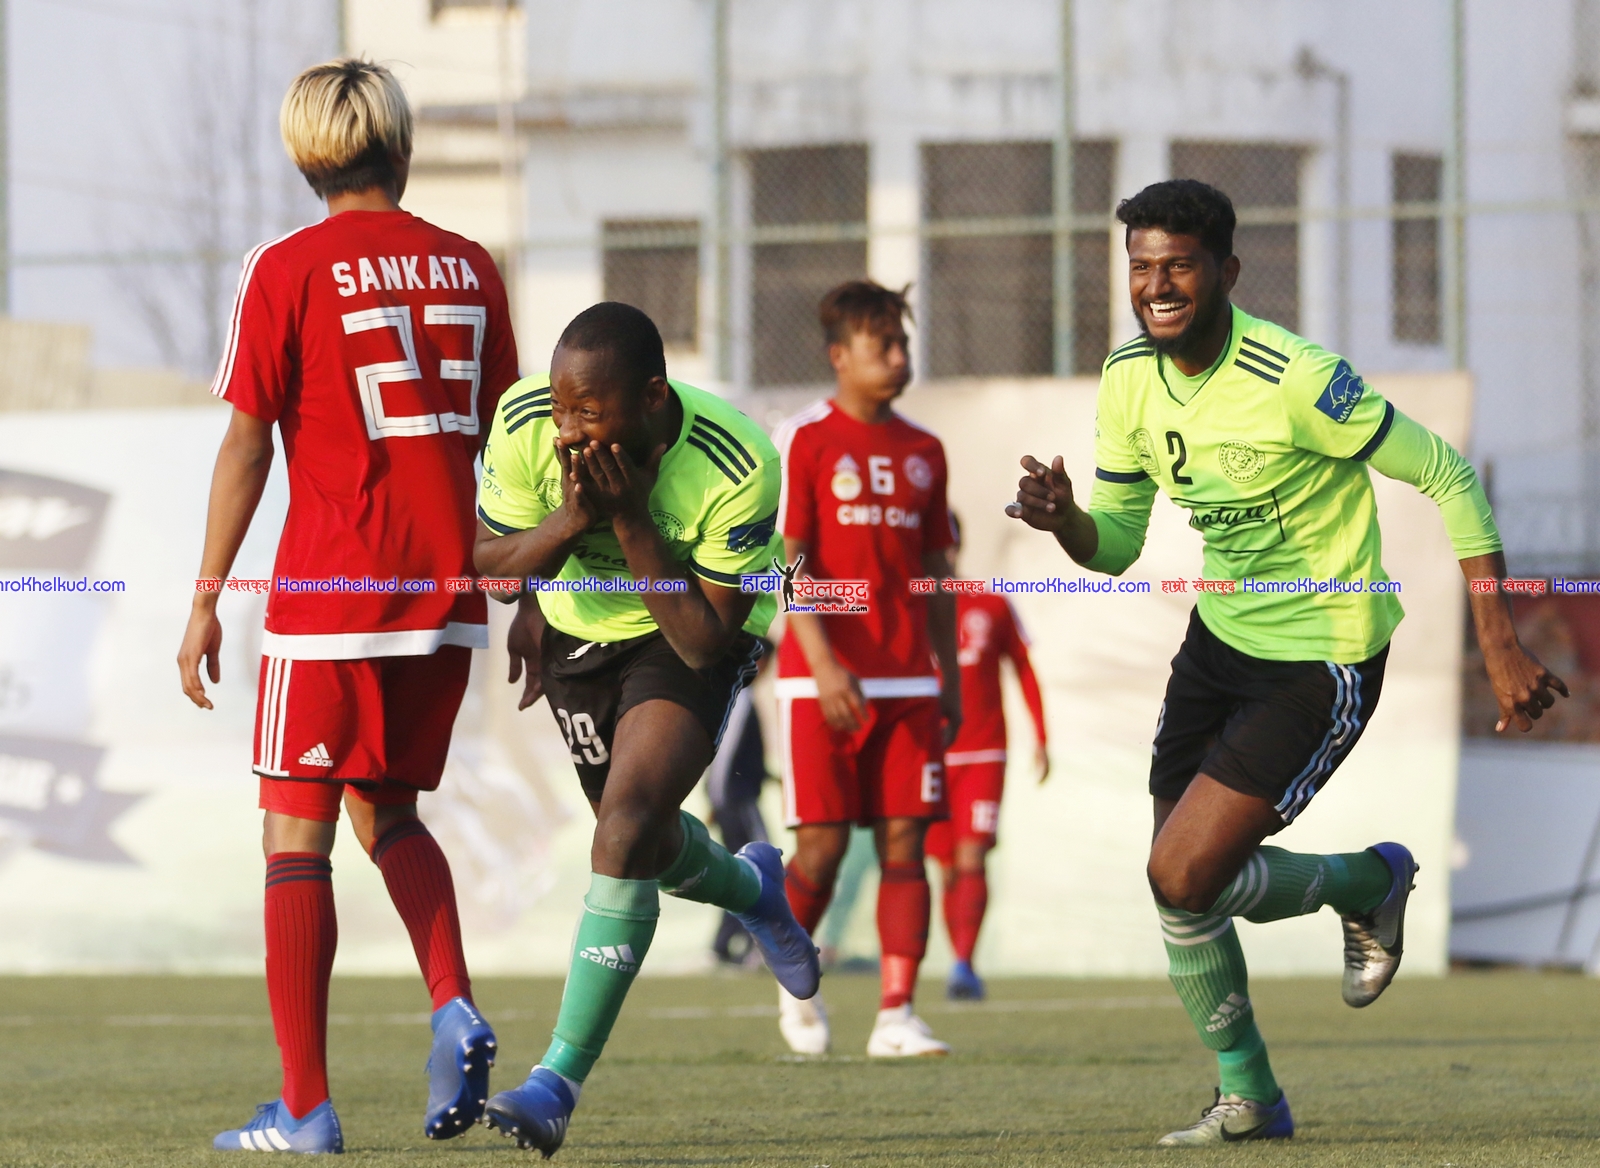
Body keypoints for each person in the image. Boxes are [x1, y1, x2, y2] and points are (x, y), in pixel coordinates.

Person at [1007, 178, 1567, 1146]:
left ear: (1226, 270)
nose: (1156, 286)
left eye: (1178, 265)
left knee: (1184, 872)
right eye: (1140, 266)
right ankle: (1259, 1087)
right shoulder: (1127, 377)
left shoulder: (1296, 375)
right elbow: (1120, 544)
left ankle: (1361, 893)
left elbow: (1446, 472)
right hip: (1219, 641)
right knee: (1182, 885)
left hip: (1323, 654)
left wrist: (1498, 638)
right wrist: (1066, 524)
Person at [177, 59, 518, 1154]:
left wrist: (206, 597)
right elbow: (512, 443)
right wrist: (526, 591)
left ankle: (306, 1108)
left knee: (293, 835)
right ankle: (453, 1001)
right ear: (401, 146)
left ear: (302, 154)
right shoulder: (471, 266)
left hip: (333, 592)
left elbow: (247, 444)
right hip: (447, 596)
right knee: (390, 811)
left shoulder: (283, 266)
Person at [472, 301, 820, 1157]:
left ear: (654, 398)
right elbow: (486, 566)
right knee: (643, 844)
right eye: (562, 408)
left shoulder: (738, 460)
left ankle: (555, 1084)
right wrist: (564, 531)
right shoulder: (524, 420)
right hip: (577, 634)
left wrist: (628, 518)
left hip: (688, 634)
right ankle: (752, 888)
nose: (567, 432)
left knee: (624, 831)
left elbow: (702, 638)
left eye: (589, 412)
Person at [772, 280, 962, 1057]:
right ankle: (791, 981)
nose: (899, 356)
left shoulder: (925, 451)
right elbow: (789, 563)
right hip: (819, 681)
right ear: (839, 356)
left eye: (903, 343)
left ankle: (896, 1016)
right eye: (883, 344)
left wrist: (948, 676)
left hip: (908, 682)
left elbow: (937, 570)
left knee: (904, 843)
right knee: (819, 849)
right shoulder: (805, 439)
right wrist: (823, 665)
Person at [926, 512, 1049, 1001]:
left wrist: (1041, 735)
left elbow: (1023, 664)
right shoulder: (908, 605)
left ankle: (963, 964)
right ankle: (958, 958)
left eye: (948, 542)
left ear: (957, 546)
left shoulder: (990, 602)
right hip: (929, 757)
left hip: (983, 752)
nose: (942, 553)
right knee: (946, 868)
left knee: (972, 856)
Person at [706, 641, 776, 965]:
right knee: (763, 866)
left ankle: (725, 944)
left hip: (731, 800)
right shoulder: (740, 697)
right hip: (738, 802)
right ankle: (757, 946)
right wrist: (719, 799)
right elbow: (723, 758)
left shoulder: (736, 696)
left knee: (739, 872)